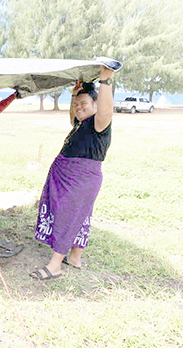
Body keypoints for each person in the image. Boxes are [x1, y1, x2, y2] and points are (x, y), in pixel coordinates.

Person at [31, 66, 115, 281]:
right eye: (77, 105)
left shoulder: (99, 124)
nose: (79, 108)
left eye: (84, 104)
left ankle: (55, 265)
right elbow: (74, 113)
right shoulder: (81, 124)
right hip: (70, 177)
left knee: (67, 216)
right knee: (80, 216)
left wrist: (105, 82)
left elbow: (106, 110)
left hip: (80, 178)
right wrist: (75, 96)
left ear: (95, 105)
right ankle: (75, 257)